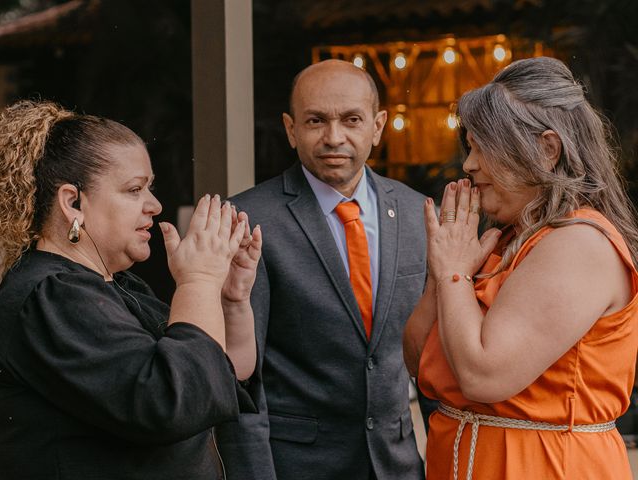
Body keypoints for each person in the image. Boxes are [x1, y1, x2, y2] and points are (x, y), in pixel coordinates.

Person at [0, 100, 262, 480]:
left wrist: (229, 301)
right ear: (73, 203)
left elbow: (219, 376)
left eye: (149, 188)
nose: (154, 205)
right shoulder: (50, 296)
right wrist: (198, 280)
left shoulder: (120, 285)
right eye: (134, 190)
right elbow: (170, 403)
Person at [403, 56, 638, 479]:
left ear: (547, 149)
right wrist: (445, 276)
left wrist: (456, 273)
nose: (468, 165)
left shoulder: (578, 242)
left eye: (482, 147)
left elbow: (481, 376)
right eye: (469, 147)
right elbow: (419, 361)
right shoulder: (508, 239)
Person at [216, 59, 426, 479]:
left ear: (378, 125)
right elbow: (242, 383)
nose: (335, 138)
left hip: (399, 466)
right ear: (291, 129)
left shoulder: (416, 211)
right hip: (299, 467)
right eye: (316, 121)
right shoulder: (248, 218)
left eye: (352, 120)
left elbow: (435, 357)